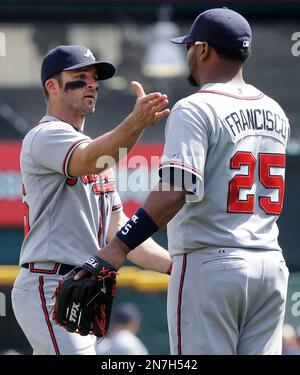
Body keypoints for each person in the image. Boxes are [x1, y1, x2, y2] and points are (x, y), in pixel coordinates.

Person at [76, 8, 290, 355]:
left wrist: (118, 248)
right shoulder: (276, 112)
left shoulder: (196, 107)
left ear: (202, 50)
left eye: (189, 46)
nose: (187, 54)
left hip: (211, 266)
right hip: (270, 267)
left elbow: (174, 192)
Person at [11, 44, 172, 355]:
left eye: (94, 78)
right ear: (52, 86)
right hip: (48, 283)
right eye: (80, 76)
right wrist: (136, 123)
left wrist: (173, 266)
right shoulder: (44, 135)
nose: (92, 84)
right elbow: (88, 159)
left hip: (80, 287)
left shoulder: (99, 156)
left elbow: (119, 231)